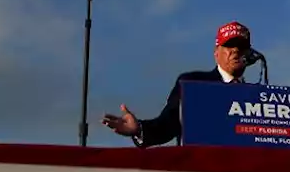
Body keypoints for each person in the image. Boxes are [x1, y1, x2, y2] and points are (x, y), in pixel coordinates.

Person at [102, 20, 253, 148]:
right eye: (229, 45)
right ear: (216, 53)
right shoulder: (194, 83)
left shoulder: (257, 95)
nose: (235, 50)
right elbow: (169, 123)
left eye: (241, 46)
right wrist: (139, 129)